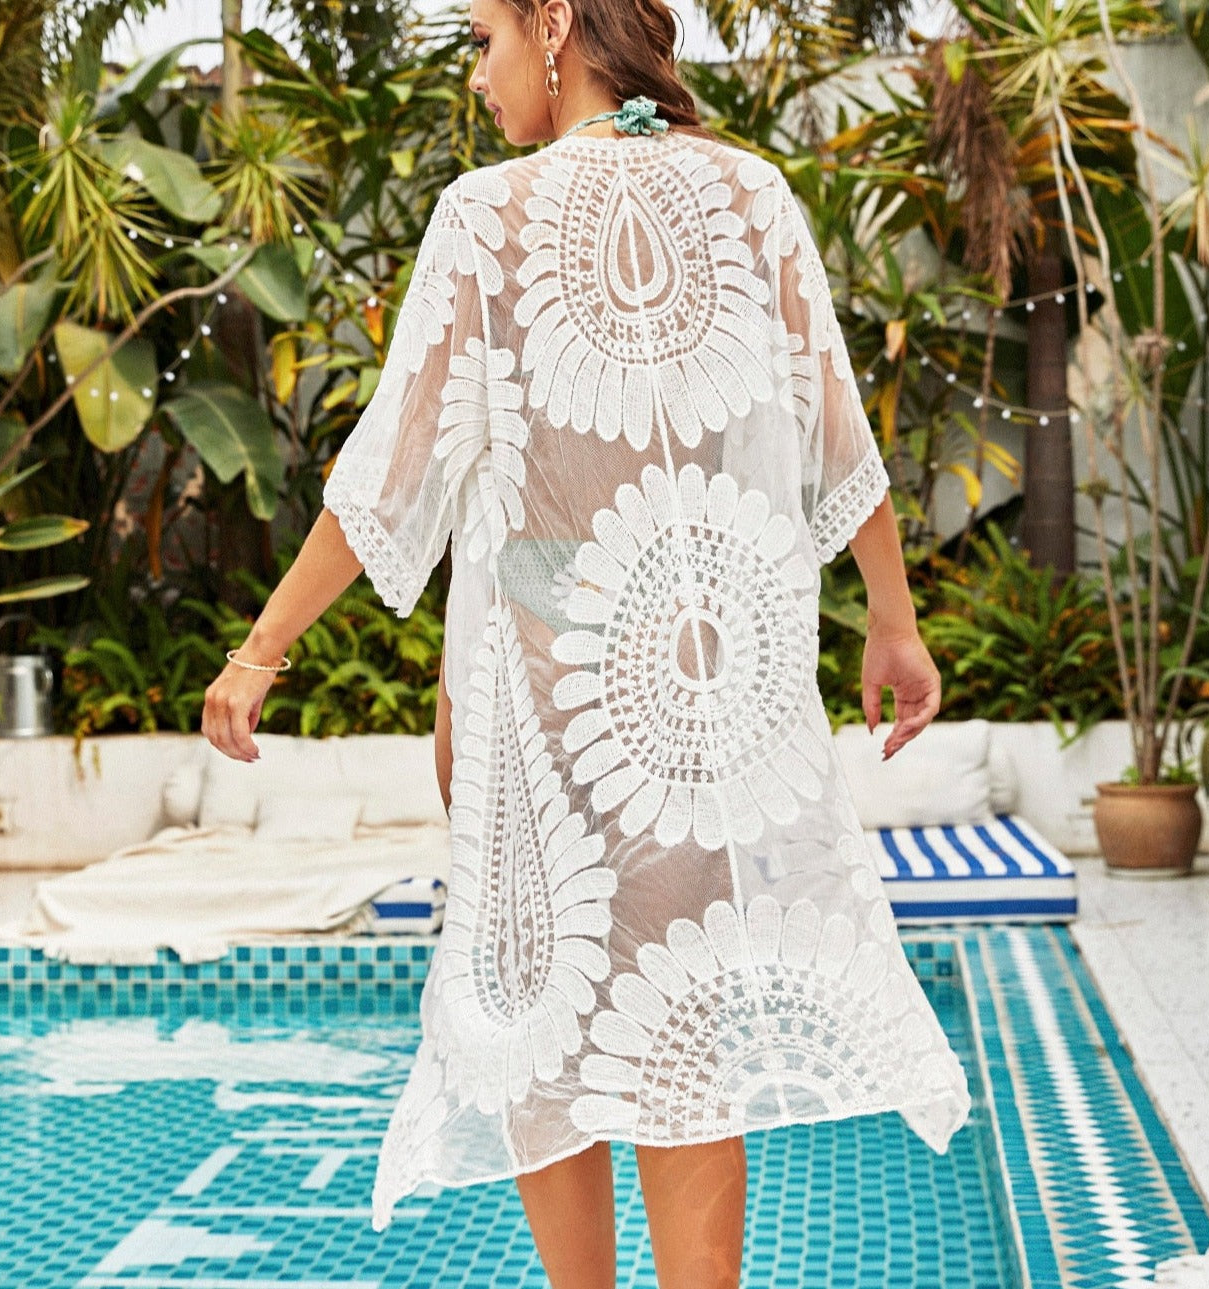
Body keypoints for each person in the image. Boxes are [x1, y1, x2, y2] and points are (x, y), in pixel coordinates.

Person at [202, 0, 972, 1284]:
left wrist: (261, 647)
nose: (476, 74)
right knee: (685, 1020)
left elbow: (392, 473)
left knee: (534, 1028)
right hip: (696, 709)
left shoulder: (484, 216)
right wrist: (891, 622)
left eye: (482, 39)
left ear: (553, 21)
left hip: (544, 719)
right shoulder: (752, 196)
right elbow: (833, 433)